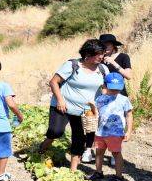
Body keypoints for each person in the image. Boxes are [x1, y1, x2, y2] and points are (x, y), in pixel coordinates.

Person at [40, 39, 109, 171]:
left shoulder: (102, 69)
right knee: (55, 132)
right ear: (88, 53)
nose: (102, 56)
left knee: (79, 139)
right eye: (99, 53)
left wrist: (101, 104)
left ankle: (73, 170)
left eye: (103, 53)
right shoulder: (72, 65)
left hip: (85, 112)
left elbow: (105, 88)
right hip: (63, 106)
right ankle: (41, 150)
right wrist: (60, 100)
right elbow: (54, 82)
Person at [83, 34, 132, 164]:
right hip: (100, 95)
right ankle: (88, 150)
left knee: (116, 123)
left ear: (113, 45)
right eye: (102, 45)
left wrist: (113, 63)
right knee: (94, 122)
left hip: (118, 95)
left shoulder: (123, 57)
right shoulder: (97, 57)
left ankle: (115, 153)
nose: (105, 47)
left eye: (108, 45)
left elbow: (128, 76)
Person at [85, 73, 133, 181]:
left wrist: (129, 130)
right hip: (100, 131)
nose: (115, 91)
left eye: (118, 89)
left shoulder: (124, 99)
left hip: (115, 133)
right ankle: (98, 172)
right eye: (112, 88)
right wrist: (91, 107)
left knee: (116, 153)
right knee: (99, 151)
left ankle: (119, 177)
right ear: (104, 85)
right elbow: (95, 112)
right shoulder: (100, 99)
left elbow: (129, 115)